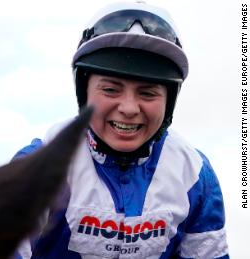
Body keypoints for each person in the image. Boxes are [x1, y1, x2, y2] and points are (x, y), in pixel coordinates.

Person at [12, 1, 229, 258]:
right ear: (84, 92)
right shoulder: (39, 165)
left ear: (169, 101)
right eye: (111, 90)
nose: (128, 108)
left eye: (147, 93)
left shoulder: (194, 173)